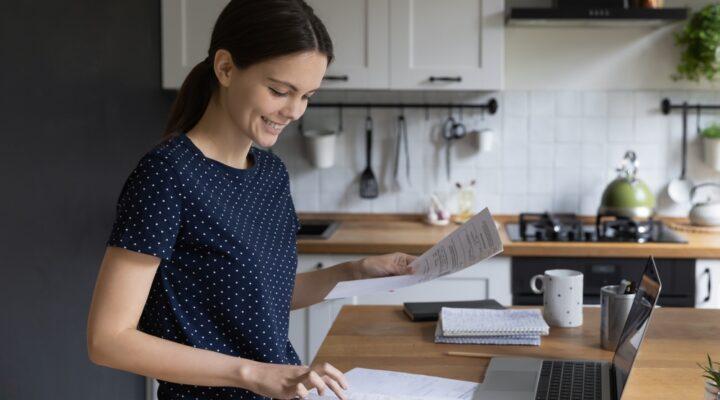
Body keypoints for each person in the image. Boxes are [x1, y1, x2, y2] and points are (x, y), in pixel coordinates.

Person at [86, 1, 417, 399]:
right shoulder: (166, 176)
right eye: (280, 90)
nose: (294, 111)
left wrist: (353, 272)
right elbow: (108, 339)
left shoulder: (271, 173)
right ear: (225, 68)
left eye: (307, 95)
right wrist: (255, 374)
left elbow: (253, 296)